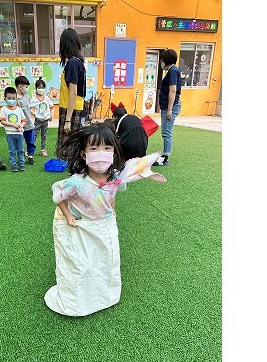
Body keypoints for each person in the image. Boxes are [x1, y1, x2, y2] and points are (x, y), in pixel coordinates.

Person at [44, 124, 167, 317]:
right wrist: (68, 216)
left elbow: (112, 196)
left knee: (106, 261)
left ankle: (103, 296)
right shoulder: (76, 181)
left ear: (113, 152)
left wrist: (113, 213)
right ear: (84, 154)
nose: (100, 154)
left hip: (104, 225)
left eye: (107, 148)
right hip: (82, 226)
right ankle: (79, 299)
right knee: (82, 264)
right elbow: (58, 196)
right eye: (94, 148)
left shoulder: (116, 177)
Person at [56, 28, 87, 160]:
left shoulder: (73, 63)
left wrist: (68, 120)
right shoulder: (76, 62)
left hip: (71, 110)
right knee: (71, 148)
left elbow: (73, 93)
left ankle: (74, 170)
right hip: (72, 108)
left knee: (69, 149)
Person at [157, 48, 182, 166]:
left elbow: (172, 90)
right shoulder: (173, 70)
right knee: (165, 132)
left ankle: (165, 158)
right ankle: (165, 155)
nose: (161, 62)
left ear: (167, 60)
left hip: (170, 107)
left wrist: (169, 109)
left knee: (167, 133)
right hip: (168, 106)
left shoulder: (173, 71)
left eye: (162, 60)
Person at [0, 86, 27, 172]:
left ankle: (21, 164)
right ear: (5, 99)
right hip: (10, 133)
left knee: (21, 150)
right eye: (9, 98)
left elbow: (24, 120)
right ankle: (14, 165)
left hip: (19, 133)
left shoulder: (19, 109)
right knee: (12, 150)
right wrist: (13, 125)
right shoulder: (3, 109)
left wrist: (21, 126)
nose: (12, 100)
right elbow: (2, 121)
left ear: (16, 98)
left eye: (13, 98)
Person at [15, 75, 36, 165]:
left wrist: (34, 114)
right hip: (19, 126)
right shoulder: (14, 99)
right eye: (26, 87)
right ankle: (21, 157)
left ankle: (30, 155)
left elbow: (29, 109)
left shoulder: (27, 97)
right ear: (20, 87)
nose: (27, 89)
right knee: (19, 143)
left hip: (29, 125)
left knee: (31, 142)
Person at [31, 77, 54, 157]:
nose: (41, 89)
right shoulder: (33, 99)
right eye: (39, 88)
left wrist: (51, 115)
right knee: (34, 135)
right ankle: (30, 150)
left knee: (44, 136)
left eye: (42, 88)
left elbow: (52, 107)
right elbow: (29, 108)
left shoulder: (47, 98)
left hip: (45, 121)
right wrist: (34, 114)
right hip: (38, 120)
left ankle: (43, 150)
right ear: (36, 88)